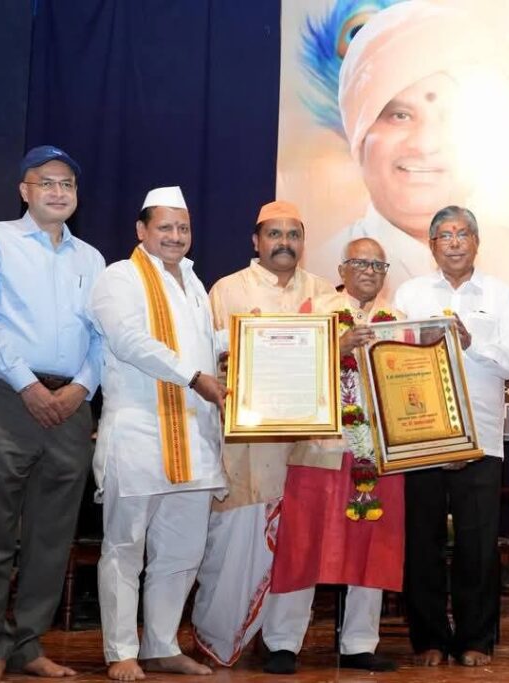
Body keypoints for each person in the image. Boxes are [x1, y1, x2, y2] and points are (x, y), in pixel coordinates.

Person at [90, 186, 227, 682]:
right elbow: (129, 341)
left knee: (182, 552)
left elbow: (205, 344)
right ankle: (121, 650)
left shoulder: (194, 282)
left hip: (194, 438)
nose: (175, 236)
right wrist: (194, 377)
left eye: (183, 227)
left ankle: (162, 645)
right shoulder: (119, 277)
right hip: (140, 435)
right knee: (124, 547)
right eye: (165, 227)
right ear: (141, 230)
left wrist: (249, 342)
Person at [191, 200, 333, 674]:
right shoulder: (227, 290)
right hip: (247, 448)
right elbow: (205, 362)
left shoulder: (324, 293)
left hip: (307, 447)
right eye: (275, 234)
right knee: (235, 542)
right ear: (256, 241)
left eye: (293, 234)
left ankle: (282, 643)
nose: (284, 243)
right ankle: (221, 637)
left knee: (298, 545)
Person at [319, 0, 509, 298]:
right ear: (359, 135)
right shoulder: (320, 270)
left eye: (449, 117)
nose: (424, 144)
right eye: (400, 116)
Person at [393, 206, 509, 666]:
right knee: (422, 543)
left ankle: (476, 639)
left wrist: (473, 343)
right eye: (445, 235)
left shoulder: (502, 294)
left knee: (478, 544)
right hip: (421, 438)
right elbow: (389, 353)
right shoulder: (410, 294)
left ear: (476, 241)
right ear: (431, 245)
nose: (454, 242)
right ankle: (429, 639)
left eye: (462, 233)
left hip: (481, 437)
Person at [0, 146, 104, 682]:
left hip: (72, 409)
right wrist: (27, 384)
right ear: (24, 191)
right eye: (47, 183)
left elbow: (103, 336)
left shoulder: (92, 259)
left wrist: (81, 387)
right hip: (8, 399)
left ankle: (28, 644)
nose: (59, 192)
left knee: (51, 536)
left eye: (67, 184)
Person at [270, 237, 404, 673]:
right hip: (319, 450)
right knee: (302, 544)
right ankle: (282, 643)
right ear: (342, 269)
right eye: (360, 263)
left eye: (378, 265)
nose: (369, 271)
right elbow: (287, 369)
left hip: (377, 456)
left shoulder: (398, 321)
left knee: (372, 547)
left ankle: (360, 643)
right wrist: (338, 346)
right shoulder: (315, 311)